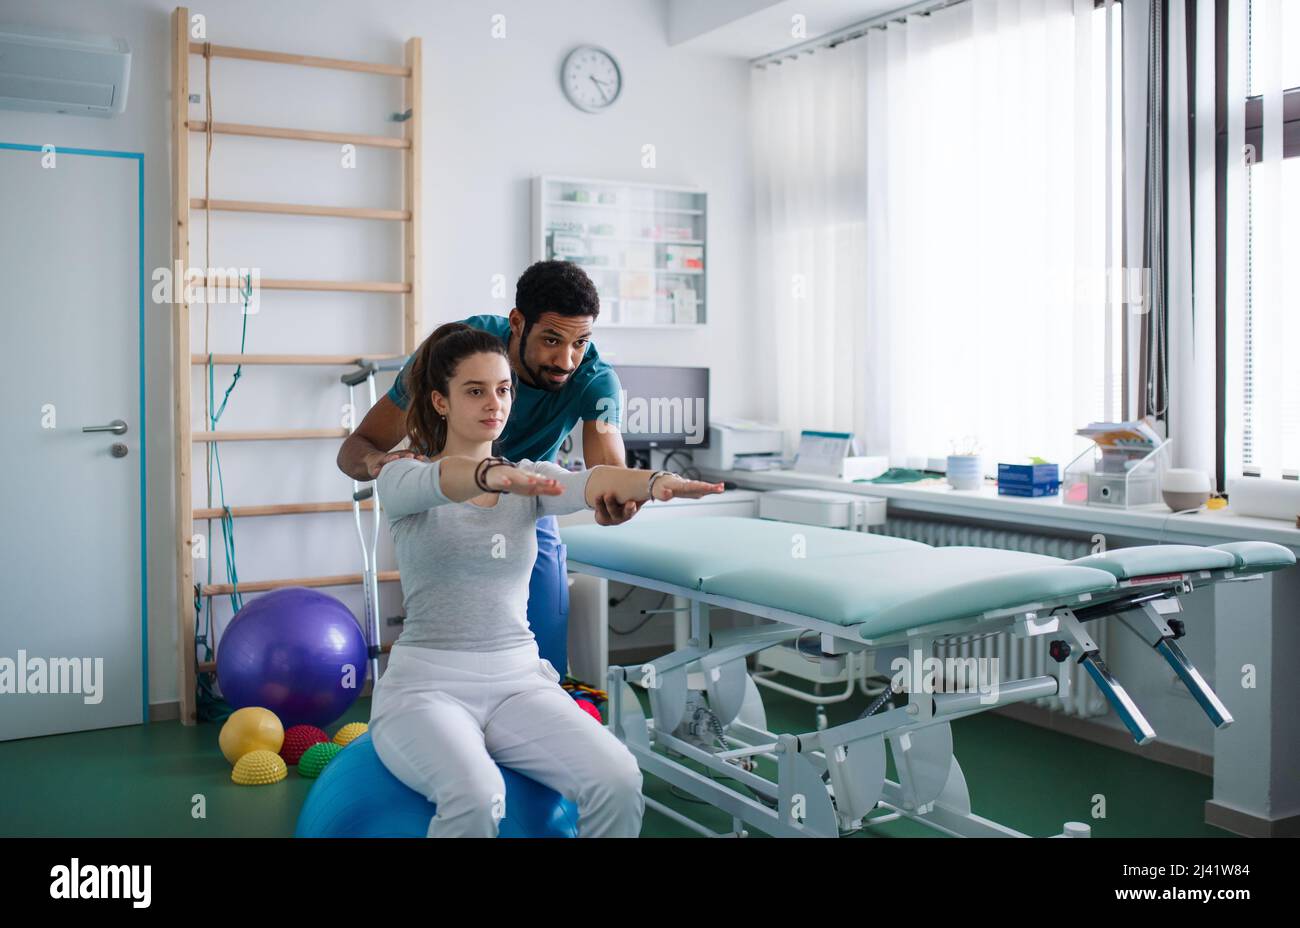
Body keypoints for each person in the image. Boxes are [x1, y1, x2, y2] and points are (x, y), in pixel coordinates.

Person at [371, 322, 723, 836]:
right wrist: (490, 474)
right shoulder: (402, 477)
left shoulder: (530, 478)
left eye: (503, 389)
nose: (495, 403)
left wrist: (655, 483)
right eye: (475, 391)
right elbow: (444, 481)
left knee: (619, 778)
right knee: (476, 796)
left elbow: (591, 481)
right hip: (427, 687)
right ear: (440, 402)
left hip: (518, 681)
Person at [338, 260, 637, 673]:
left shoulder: (595, 379)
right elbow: (356, 448)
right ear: (517, 322)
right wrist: (378, 464)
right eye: (551, 340)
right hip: (443, 502)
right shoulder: (455, 352)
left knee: (545, 657)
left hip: (526, 505)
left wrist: (618, 497)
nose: (566, 360)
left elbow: (609, 472)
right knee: (453, 652)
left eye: (580, 343)